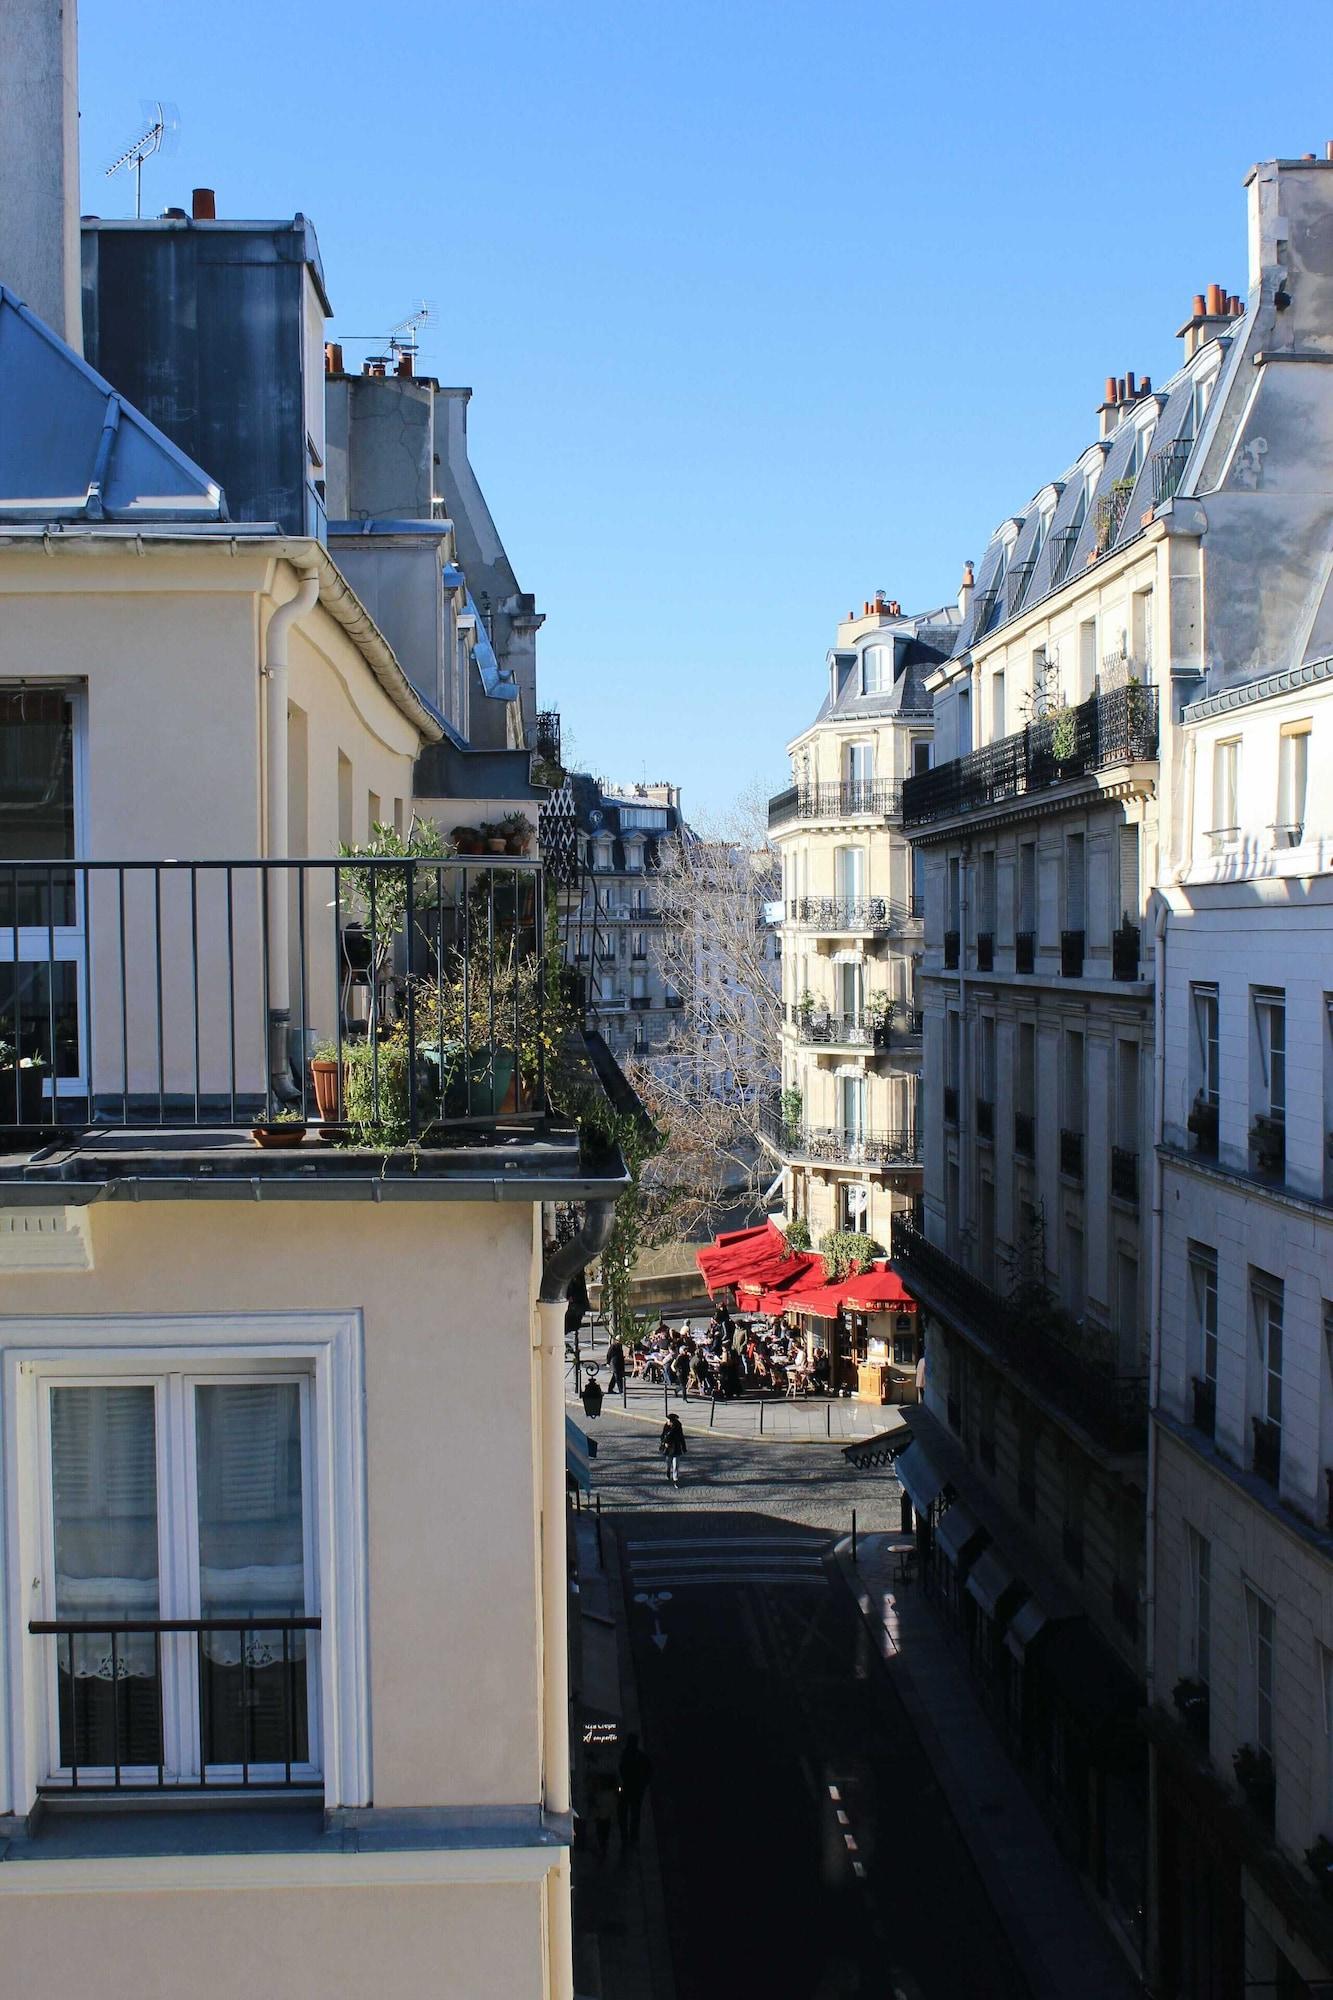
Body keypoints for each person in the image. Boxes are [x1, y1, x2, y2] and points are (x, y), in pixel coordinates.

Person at [617, 1732, 653, 1845]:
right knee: (635, 1814)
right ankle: (633, 1837)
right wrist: (644, 1784)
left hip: (628, 1787)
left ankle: (626, 1836)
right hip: (637, 1789)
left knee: (624, 1813)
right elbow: (649, 1771)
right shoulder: (641, 1757)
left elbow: (621, 1769)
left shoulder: (626, 1755)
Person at [659, 1411, 686, 1485]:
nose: (667, 1421)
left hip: (676, 1448)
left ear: (672, 1421)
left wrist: (683, 1448)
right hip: (668, 1449)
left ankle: (675, 1480)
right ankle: (668, 1470)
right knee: (668, 1463)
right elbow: (662, 1436)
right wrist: (664, 1443)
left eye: (668, 1420)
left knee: (676, 1466)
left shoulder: (678, 1428)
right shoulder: (666, 1426)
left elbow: (681, 1438)